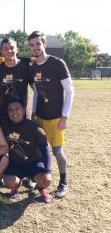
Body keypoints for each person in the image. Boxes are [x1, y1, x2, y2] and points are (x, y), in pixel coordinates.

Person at [28, 30, 74, 198]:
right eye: (32, 45)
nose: (35, 48)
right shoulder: (32, 67)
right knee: (38, 150)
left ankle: (63, 182)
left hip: (55, 118)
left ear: (44, 44)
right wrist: (33, 114)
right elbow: (37, 94)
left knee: (57, 152)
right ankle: (36, 177)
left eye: (38, 44)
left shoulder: (57, 63)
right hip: (39, 116)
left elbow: (70, 91)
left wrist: (64, 117)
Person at [1, 99, 52, 204]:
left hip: (34, 163)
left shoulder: (36, 128)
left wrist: (47, 171)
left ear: (24, 110)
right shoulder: (4, 125)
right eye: (10, 110)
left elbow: (46, 152)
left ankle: (40, 188)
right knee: (8, 182)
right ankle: (16, 186)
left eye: (17, 109)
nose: (14, 112)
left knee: (46, 180)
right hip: (16, 163)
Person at [0, 37, 34, 117]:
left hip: (22, 114)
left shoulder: (26, 67)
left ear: (17, 49)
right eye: (5, 48)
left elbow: (36, 89)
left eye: (12, 48)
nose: (9, 51)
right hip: (5, 115)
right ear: (1, 52)